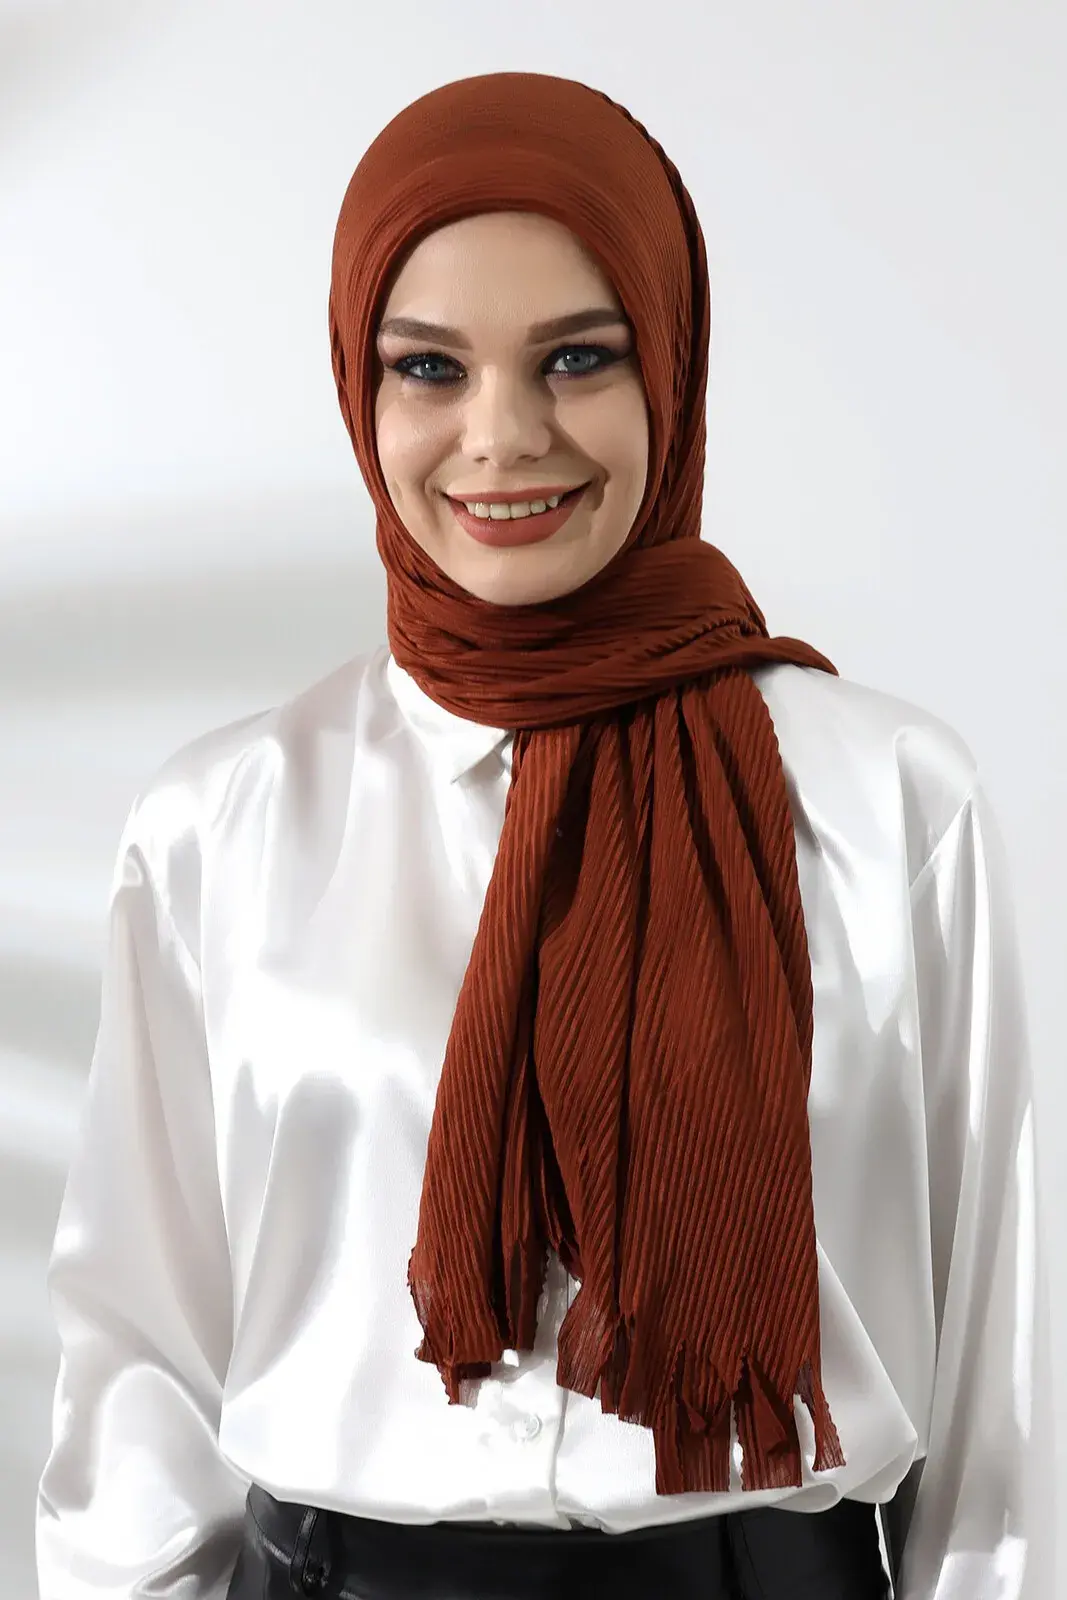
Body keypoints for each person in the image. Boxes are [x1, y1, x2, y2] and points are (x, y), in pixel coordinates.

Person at [35, 71, 1054, 1600]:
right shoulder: (221, 824)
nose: (500, 437)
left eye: (576, 357)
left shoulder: (884, 800)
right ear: (359, 386)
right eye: (428, 368)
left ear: (671, 366)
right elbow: (136, 1377)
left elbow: (998, 1409)